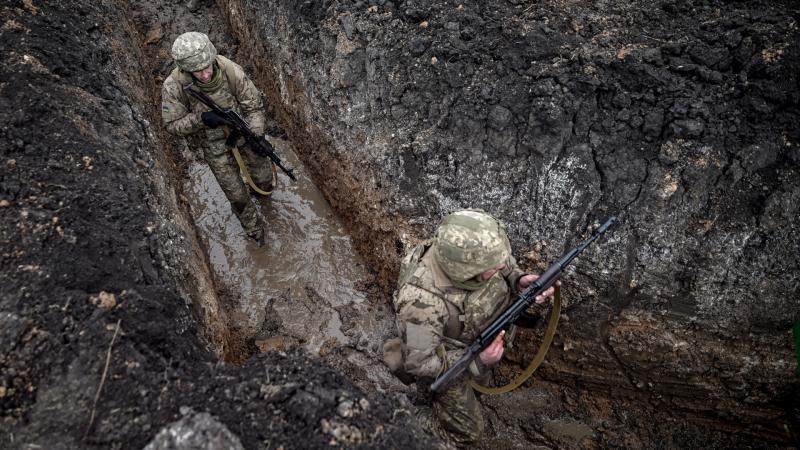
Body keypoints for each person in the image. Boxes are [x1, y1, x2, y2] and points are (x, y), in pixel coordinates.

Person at [386, 209, 555, 447]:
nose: (501, 267)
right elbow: (420, 363)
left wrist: (518, 278)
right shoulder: (421, 302)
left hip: (476, 341)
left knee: (479, 385)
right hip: (449, 360)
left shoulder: (475, 249)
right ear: (464, 269)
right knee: (468, 433)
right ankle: (401, 415)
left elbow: (503, 264)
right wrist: (476, 361)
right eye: (493, 267)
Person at [161, 31, 273, 244]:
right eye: (197, 72)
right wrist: (201, 119)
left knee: (264, 180)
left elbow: (253, 105)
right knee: (238, 197)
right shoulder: (174, 87)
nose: (204, 75)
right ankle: (255, 232)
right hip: (213, 146)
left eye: (206, 68)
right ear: (185, 69)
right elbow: (171, 125)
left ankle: (264, 202)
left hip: (244, 133)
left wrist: (257, 134)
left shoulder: (231, 71)